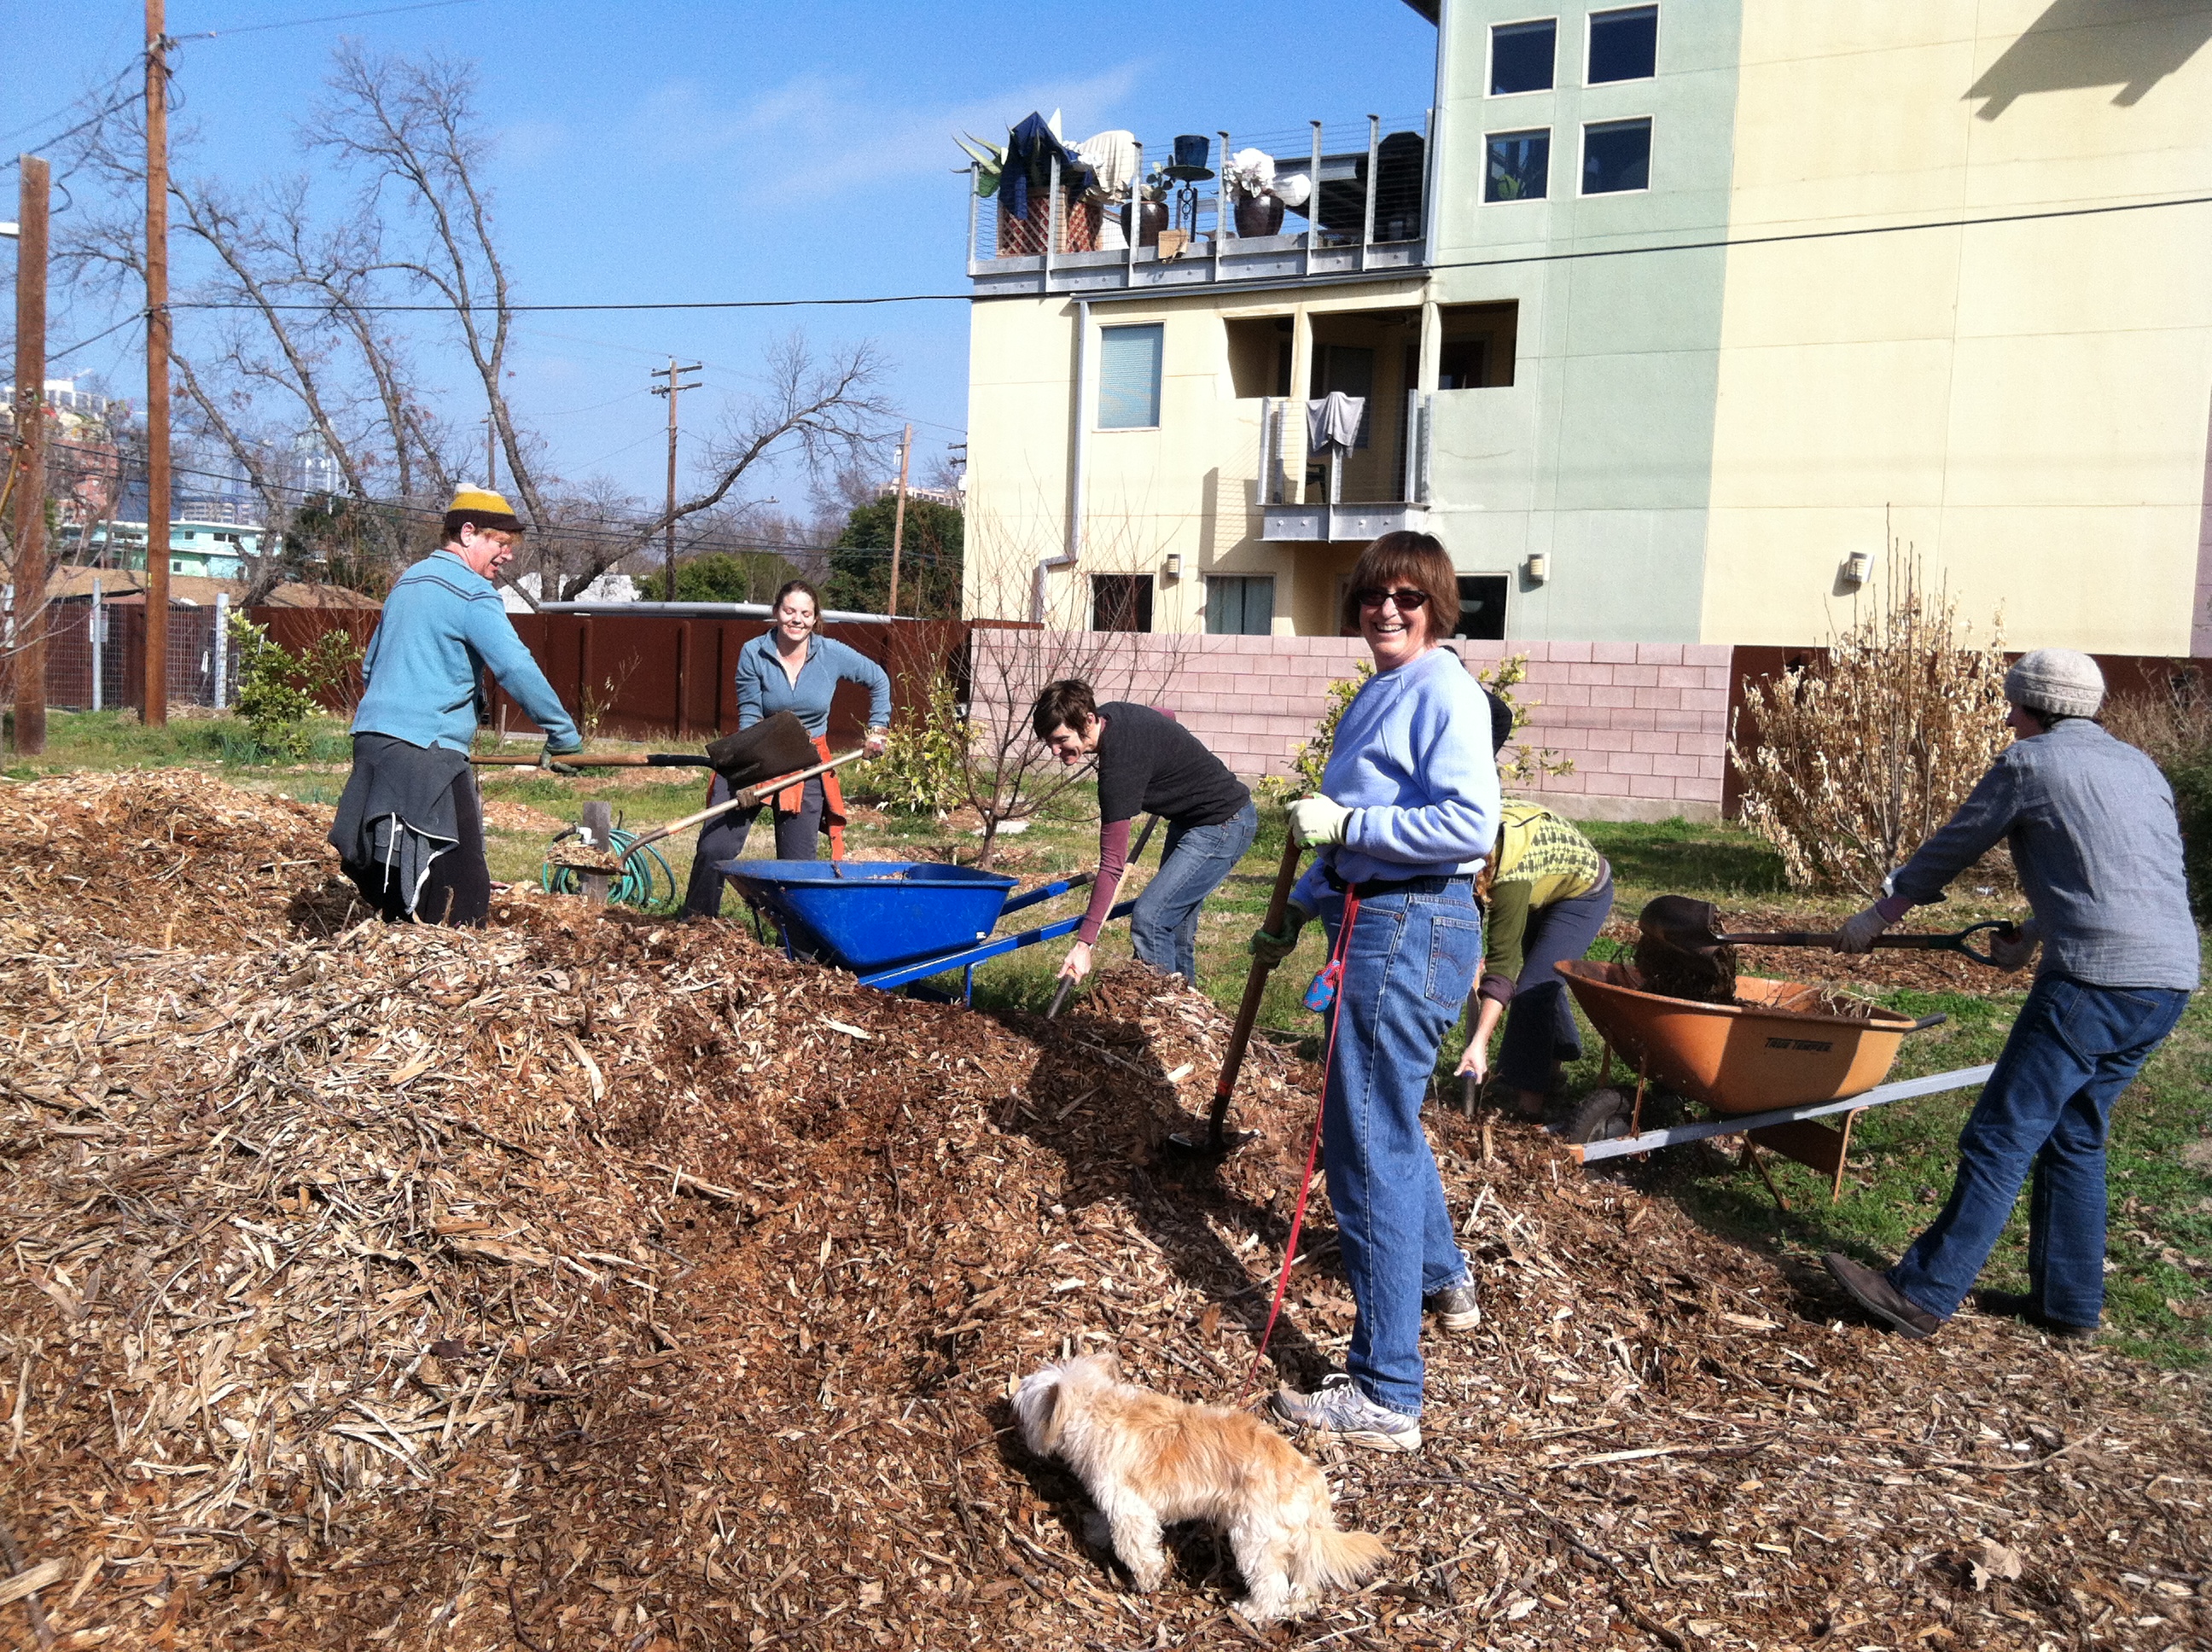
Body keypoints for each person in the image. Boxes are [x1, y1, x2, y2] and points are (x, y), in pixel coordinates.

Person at [1821, 649, 2197, 1343]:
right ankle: (2068, 1305)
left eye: (2012, 706)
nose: (2008, 718)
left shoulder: (2029, 764)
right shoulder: (2138, 766)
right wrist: (2029, 934)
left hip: (2092, 983)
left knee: (2002, 1134)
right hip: (2168, 982)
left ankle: (1920, 1294)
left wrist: (1879, 916)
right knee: (2075, 1134)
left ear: (2032, 708)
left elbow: (1952, 847)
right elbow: (2112, 872)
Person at [1250, 531, 1500, 1454]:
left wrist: (1349, 822)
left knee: (1364, 1145)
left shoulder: (1444, 690)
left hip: (1410, 923)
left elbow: (1469, 824)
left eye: (1407, 596)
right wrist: (1304, 899)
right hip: (1375, 914)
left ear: (1437, 605)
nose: (1386, 610)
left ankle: (1387, 1390)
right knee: (1385, 1122)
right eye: (1371, 596)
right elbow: (1352, 836)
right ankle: (1440, 1277)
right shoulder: (1379, 691)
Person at [331, 486, 581, 926]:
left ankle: (400, 949)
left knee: (399, 870)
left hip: (372, 741)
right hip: (425, 753)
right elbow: (515, 667)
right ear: (468, 533)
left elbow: (371, 667)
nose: (507, 555)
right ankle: (453, 957)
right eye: (500, 543)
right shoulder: (471, 591)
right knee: (461, 880)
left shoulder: (408, 582)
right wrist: (562, 734)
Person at [680, 580, 889, 918]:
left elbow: (878, 679)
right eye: (790, 611)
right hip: (756, 752)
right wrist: (749, 776)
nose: (797, 620)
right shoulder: (754, 652)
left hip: (805, 762)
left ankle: (796, 940)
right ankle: (696, 922)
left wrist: (877, 729)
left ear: (815, 618)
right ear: (777, 612)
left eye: (805, 613)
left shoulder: (832, 653)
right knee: (715, 846)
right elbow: (750, 714)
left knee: (797, 865)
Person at [1033, 680, 1258, 986]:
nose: (1054, 751)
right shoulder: (1113, 714)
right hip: (1190, 820)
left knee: (1152, 919)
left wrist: (1084, 943)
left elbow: (1112, 866)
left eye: (1061, 740)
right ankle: (1185, 1005)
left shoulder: (1118, 770)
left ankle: (1161, 1007)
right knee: (1173, 927)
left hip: (1223, 823)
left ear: (1088, 720)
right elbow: (1166, 716)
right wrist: (1162, 762)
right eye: (1049, 742)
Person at [1454, 794, 1614, 1120]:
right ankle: (1552, 1066)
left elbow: (1503, 965)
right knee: (1540, 975)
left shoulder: (1509, 873)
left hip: (1583, 892)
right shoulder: (1468, 841)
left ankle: (1529, 1109)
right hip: (1543, 878)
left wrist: (1479, 1042)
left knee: (1533, 988)